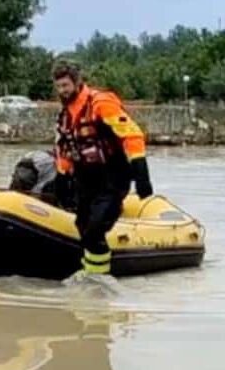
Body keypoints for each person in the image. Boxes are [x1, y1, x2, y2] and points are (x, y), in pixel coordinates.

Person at [50, 59, 153, 278]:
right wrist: (61, 177)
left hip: (112, 176)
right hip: (85, 177)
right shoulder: (66, 115)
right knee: (83, 226)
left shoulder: (100, 103)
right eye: (58, 87)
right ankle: (91, 273)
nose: (62, 91)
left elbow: (131, 134)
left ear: (77, 83)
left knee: (95, 229)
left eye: (65, 86)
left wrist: (141, 173)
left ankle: (99, 279)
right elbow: (65, 148)